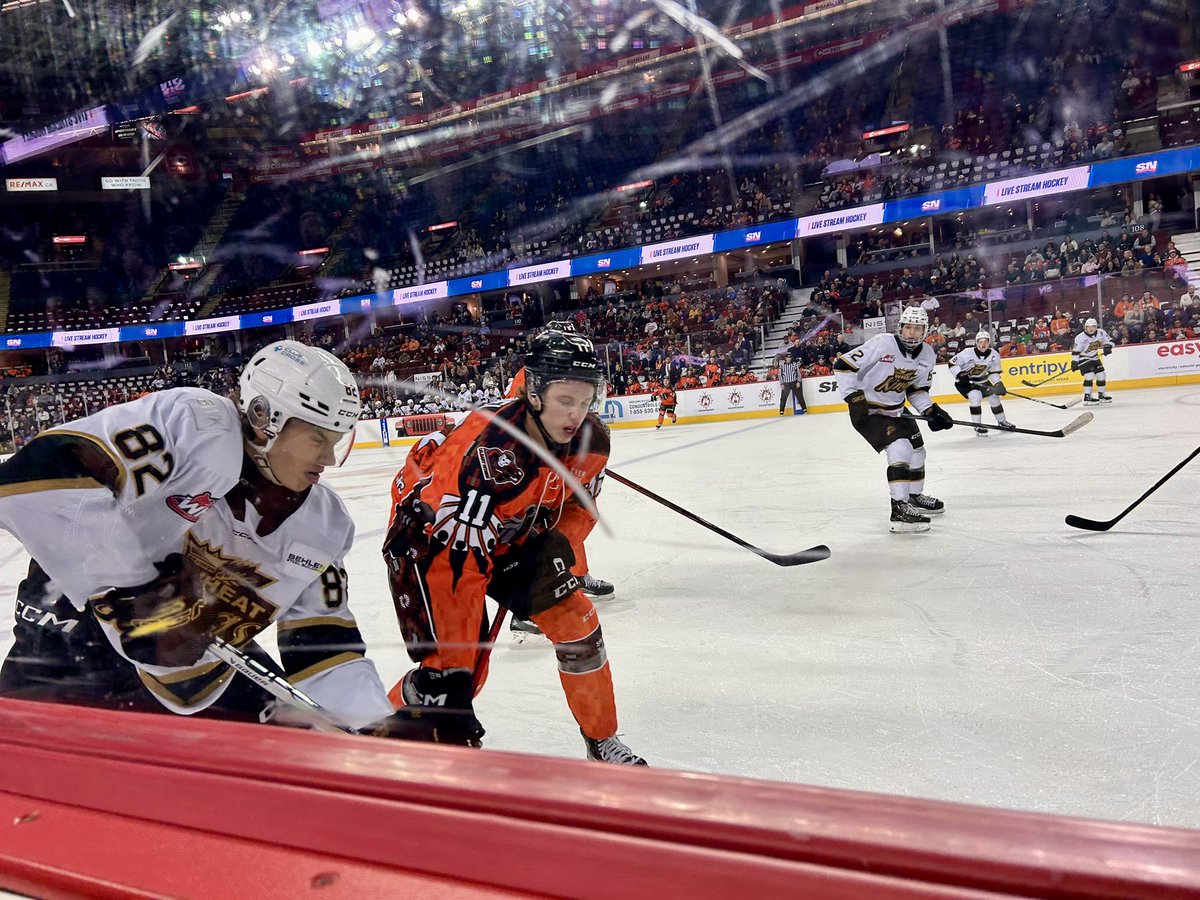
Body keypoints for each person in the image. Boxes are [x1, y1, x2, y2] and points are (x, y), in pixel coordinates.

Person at [0, 340, 415, 738]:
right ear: (263, 417)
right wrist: (136, 589)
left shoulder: (325, 526)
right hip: (74, 641)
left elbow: (324, 650)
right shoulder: (196, 425)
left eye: (336, 440)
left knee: (303, 760)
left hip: (195, 671)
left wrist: (373, 727)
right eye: (317, 438)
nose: (328, 459)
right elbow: (36, 480)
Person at [383, 330, 645, 764]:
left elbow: (582, 508)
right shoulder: (481, 448)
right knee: (451, 678)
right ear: (535, 394)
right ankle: (372, 737)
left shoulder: (592, 442)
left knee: (578, 624)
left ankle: (602, 741)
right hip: (433, 543)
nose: (577, 415)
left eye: (585, 401)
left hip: (508, 539)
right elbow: (451, 558)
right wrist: (456, 679)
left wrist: (559, 544)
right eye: (566, 400)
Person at [833, 306, 954, 534]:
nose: (911, 333)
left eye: (917, 329)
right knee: (901, 448)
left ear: (925, 331)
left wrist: (931, 411)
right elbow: (842, 366)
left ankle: (913, 496)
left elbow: (916, 391)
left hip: (897, 409)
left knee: (919, 451)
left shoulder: (927, 354)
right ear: (900, 328)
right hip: (869, 412)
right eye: (907, 327)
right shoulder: (882, 343)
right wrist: (853, 397)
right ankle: (899, 509)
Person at [949, 331, 1015, 436]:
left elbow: (994, 371)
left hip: (982, 381)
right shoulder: (967, 353)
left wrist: (997, 383)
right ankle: (977, 425)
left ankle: (1002, 422)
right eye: (980, 342)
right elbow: (952, 363)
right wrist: (960, 375)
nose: (983, 344)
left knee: (994, 397)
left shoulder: (994, 355)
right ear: (976, 343)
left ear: (989, 342)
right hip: (965, 382)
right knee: (976, 396)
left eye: (985, 341)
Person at [1072, 317, 1115, 404]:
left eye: (1093, 326)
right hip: (1083, 358)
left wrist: (1108, 347)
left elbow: (1111, 341)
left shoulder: (1101, 332)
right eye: (1089, 327)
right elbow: (1075, 352)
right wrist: (1074, 362)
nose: (1091, 329)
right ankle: (1087, 397)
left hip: (1094, 357)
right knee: (1089, 376)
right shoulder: (1080, 338)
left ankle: (1101, 395)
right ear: (1085, 327)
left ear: (1096, 327)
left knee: (1101, 375)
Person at [776, 349, 806, 415]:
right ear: (785, 358)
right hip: (786, 384)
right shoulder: (782, 365)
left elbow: (798, 374)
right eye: (787, 357)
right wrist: (781, 383)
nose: (788, 359)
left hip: (794, 382)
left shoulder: (794, 365)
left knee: (800, 396)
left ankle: (804, 409)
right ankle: (781, 411)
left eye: (789, 357)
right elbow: (780, 375)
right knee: (783, 398)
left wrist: (798, 382)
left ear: (791, 358)